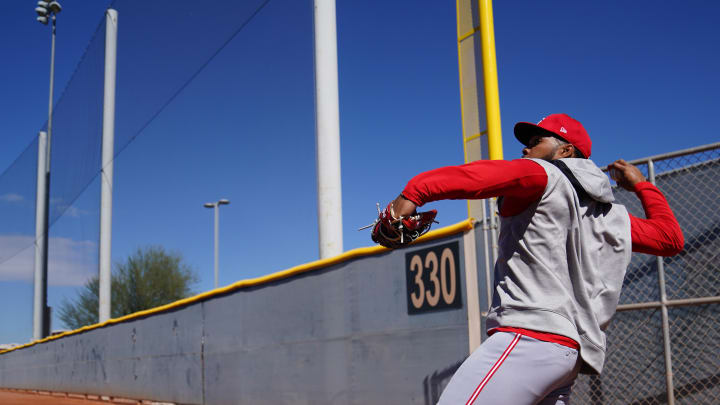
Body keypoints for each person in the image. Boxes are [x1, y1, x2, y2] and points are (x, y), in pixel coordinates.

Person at [384, 114, 684, 404]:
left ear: (565, 151)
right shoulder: (612, 215)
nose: (527, 149)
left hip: (528, 339)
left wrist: (414, 192)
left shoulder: (545, 174)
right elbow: (670, 239)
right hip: (568, 355)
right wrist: (643, 186)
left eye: (537, 140)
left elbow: (479, 174)